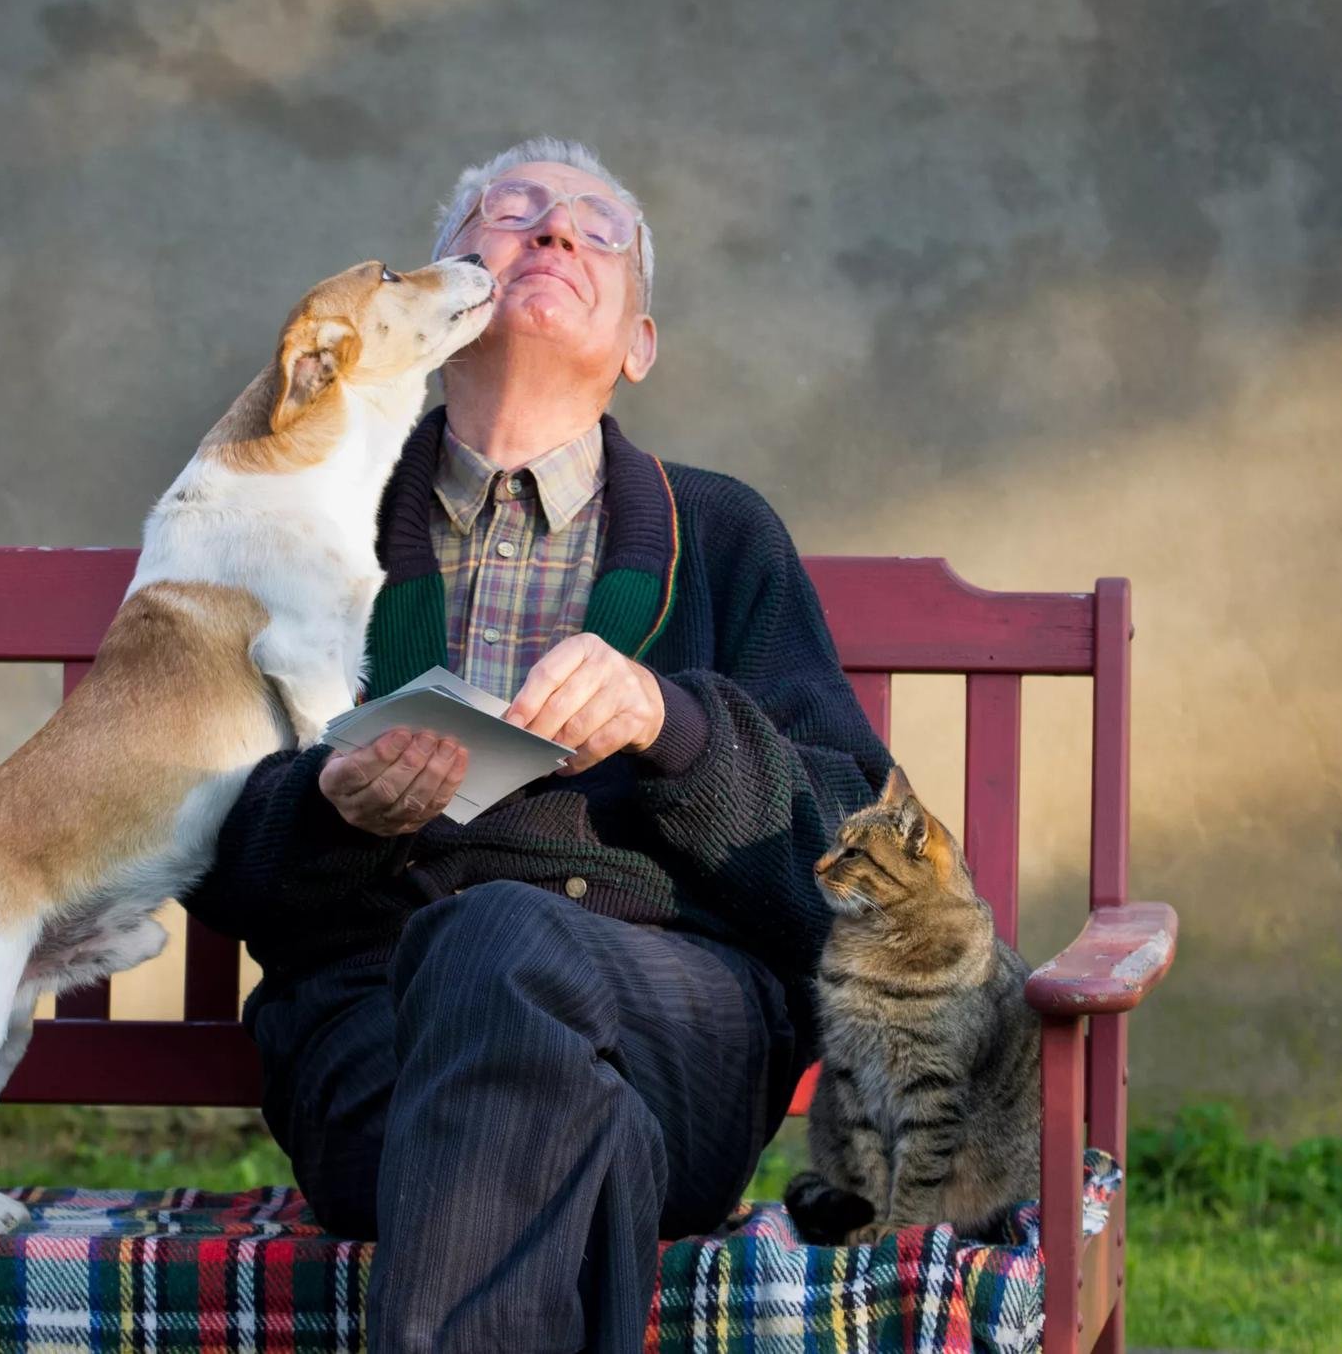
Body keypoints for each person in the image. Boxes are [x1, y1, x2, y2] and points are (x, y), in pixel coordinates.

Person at [185, 137, 893, 1353]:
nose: (554, 232)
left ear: (640, 346)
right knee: (579, 1125)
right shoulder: (299, 527)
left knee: (503, 940)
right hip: (378, 1045)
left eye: (596, 230)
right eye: (509, 214)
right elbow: (203, 842)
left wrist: (676, 725)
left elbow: (864, 877)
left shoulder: (722, 536)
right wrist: (331, 807)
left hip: (677, 1025)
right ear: (439, 296)